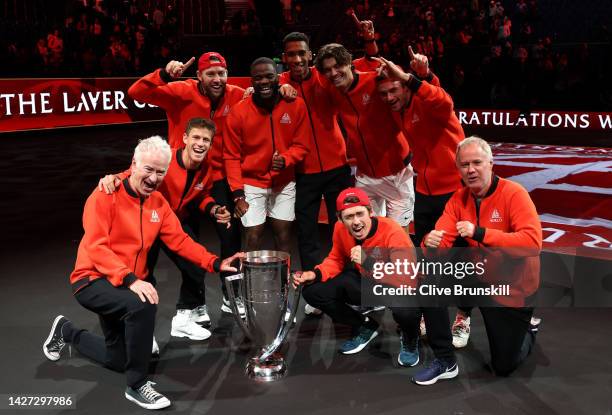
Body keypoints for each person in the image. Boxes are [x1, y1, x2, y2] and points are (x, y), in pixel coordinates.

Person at [43, 136, 242, 409]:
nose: (153, 177)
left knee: (117, 360)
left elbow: (181, 241)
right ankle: (137, 385)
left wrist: (215, 263)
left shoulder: (158, 203)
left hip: (125, 284)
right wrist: (130, 279)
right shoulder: (104, 196)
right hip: (93, 279)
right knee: (143, 302)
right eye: (148, 169)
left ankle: (67, 332)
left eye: (160, 172)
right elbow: (96, 247)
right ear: (133, 164)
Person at [413, 136, 542, 385]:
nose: (470, 170)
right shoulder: (457, 199)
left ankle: (527, 328)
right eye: (464, 165)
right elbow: (442, 243)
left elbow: (532, 243)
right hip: (477, 275)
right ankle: (445, 360)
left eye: (477, 162)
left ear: (491, 163)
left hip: (511, 288)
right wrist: (429, 243)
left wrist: (480, 233)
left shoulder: (515, 194)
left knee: (504, 366)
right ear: (458, 169)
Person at [128, 52, 245, 318]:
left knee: (231, 238)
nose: (217, 80)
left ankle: (231, 298)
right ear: (199, 76)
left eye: (222, 73)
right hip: (178, 179)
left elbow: (265, 88)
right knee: (181, 245)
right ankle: (172, 309)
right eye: (211, 74)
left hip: (216, 179)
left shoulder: (237, 94)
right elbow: (136, 92)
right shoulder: (180, 91)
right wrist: (164, 75)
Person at [98, 118, 234, 341]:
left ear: (211, 144)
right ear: (185, 139)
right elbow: (134, 171)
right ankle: (142, 331)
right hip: (146, 220)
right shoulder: (167, 159)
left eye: (206, 140)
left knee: (195, 266)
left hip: (174, 223)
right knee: (143, 275)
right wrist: (113, 177)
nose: (200, 144)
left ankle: (183, 318)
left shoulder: (207, 168)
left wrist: (214, 209)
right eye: (196, 138)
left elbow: (201, 195)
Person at [373, 52, 467, 345]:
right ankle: (432, 313)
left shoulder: (431, 104)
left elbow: (443, 100)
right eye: (384, 93)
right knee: (429, 260)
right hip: (424, 193)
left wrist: (415, 78)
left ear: (405, 86)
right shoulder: (396, 110)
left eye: (394, 89)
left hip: (454, 191)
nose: (388, 97)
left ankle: (464, 317)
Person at [293, 188, 421, 366]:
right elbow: (336, 259)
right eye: (349, 217)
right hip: (368, 283)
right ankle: (365, 326)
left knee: (406, 309)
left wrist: (368, 262)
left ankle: (410, 338)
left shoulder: (392, 231)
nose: (356, 222)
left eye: (360, 214)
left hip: (399, 286)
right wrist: (315, 273)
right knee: (313, 291)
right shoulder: (340, 229)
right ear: (339, 219)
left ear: (370, 212)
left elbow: (406, 278)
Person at [279, 32, 352, 315]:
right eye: (291, 54)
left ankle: (346, 286)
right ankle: (315, 292)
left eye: (302, 53)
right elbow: (252, 96)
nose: (297, 59)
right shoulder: (279, 84)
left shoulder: (326, 78)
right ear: (284, 57)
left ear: (310, 55)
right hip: (303, 172)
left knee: (343, 230)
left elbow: (352, 72)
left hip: (337, 167)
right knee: (307, 235)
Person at [314, 43, 415, 234]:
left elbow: (401, 86)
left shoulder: (375, 81)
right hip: (365, 176)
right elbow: (307, 75)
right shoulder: (333, 90)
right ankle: (371, 265)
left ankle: (403, 265)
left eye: (338, 66)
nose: (334, 73)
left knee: (398, 238)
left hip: (397, 174)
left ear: (349, 63)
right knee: (366, 236)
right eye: (328, 70)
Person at [223, 57, 310, 254]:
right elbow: (231, 156)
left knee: (284, 237)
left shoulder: (296, 105)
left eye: (269, 76)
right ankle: (250, 285)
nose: (264, 81)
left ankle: (282, 284)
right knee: (253, 238)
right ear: (251, 82)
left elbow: (302, 145)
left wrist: (286, 159)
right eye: (258, 78)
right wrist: (238, 195)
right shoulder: (238, 112)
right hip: (251, 184)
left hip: (284, 182)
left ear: (278, 78)